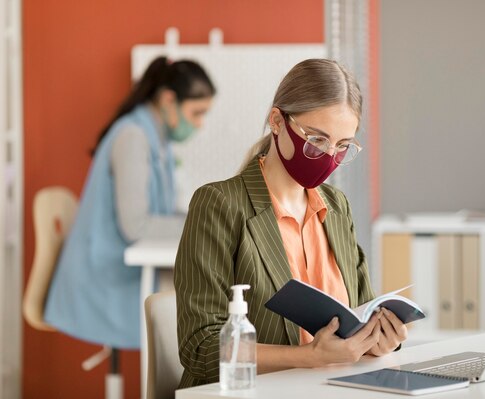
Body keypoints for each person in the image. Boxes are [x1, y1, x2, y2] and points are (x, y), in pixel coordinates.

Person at [174, 58, 407, 388]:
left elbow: (361, 318)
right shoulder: (219, 204)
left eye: (342, 147)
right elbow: (199, 348)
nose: (329, 157)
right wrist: (310, 357)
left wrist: (380, 341)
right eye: (316, 140)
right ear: (277, 121)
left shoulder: (336, 207)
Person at [44, 56, 216, 349]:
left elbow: (157, 213)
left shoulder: (156, 139)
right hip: (103, 279)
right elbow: (136, 226)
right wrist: (201, 222)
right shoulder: (133, 136)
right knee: (195, 308)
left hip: (118, 266)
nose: (199, 124)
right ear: (168, 99)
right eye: (196, 112)